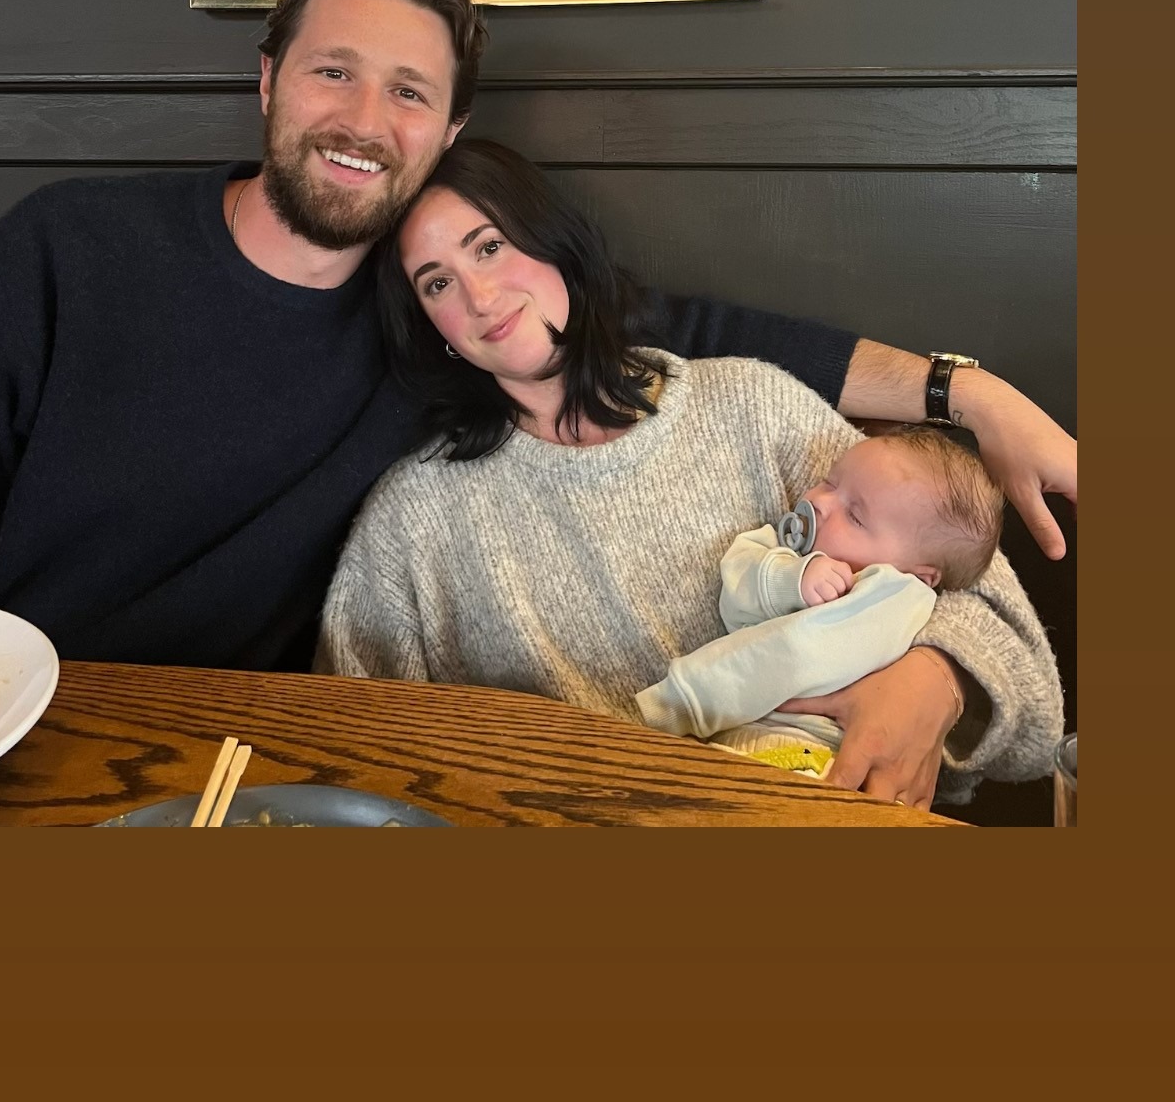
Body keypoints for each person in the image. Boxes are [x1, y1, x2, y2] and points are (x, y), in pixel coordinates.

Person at [0, 0, 1075, 780]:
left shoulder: (472, 331)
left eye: (409, 91)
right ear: (269, 79)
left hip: (222, 756)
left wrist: (964, 395)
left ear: (448, 131)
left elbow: (686, 347)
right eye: (332, 71)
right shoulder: (68, 251)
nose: (364, 120)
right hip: (1, 714)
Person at [316, 142, 1065, 809]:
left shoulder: (750, 407)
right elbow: (344, 762)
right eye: (436, 284)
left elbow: (1017, 663)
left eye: (489, 247)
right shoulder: (415, 518)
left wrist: (937, 678)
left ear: (557, 246)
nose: (478, 298)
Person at [635, 425, 1003, 778]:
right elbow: (735, 592)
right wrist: (791, 579)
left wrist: (682, 702)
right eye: (830, 481)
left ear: (919, 576)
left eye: (855, 517)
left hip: (812, 757)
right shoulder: (781, 549)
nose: (820, 503)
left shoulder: (895, 595)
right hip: (736, 742)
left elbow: (795, 652)